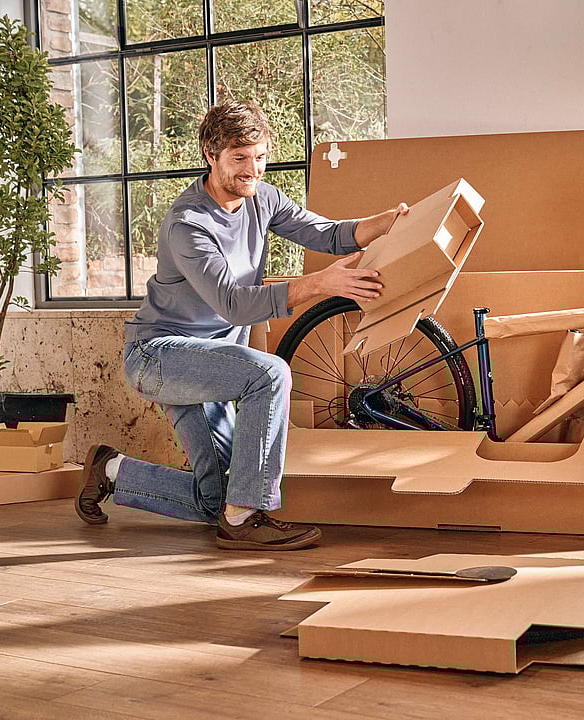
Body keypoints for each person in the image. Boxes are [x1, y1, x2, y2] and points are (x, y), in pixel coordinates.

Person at [74, 99, 408, 551]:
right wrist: (322, 284)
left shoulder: (263, 198)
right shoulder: (188, 224)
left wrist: (383, 224)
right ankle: (246, 520)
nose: (253, 169)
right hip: (161, 357)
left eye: (260, 156)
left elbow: (326, 234)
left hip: (214, 362)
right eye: (240, 158)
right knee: (270, 373)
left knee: (218, 497)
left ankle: (111, 470)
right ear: (210, 156)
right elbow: (233, 304)